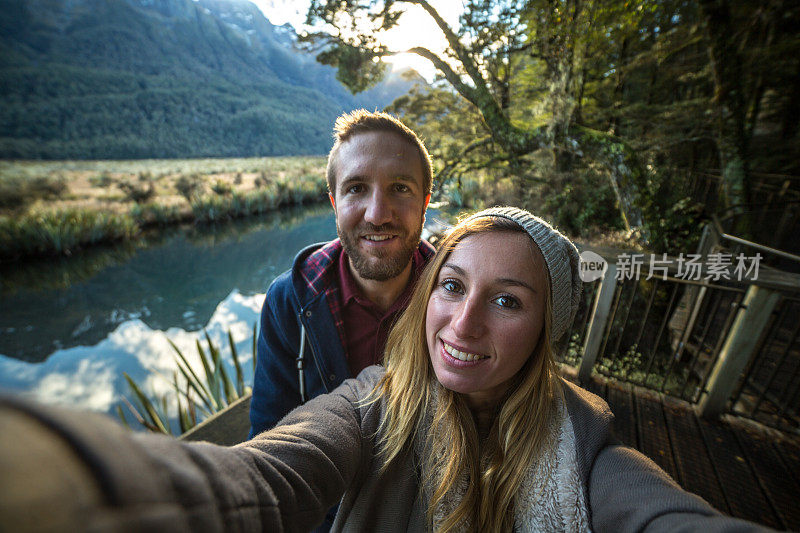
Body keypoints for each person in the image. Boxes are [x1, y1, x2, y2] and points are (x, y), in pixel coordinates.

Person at [0, 207, 772, 532]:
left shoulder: (587, 448)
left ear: (546, 330)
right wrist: (78, 485)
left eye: (507, 300)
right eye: (453, 285)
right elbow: (267, 476)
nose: (463, 323)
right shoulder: (371, 402)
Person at [248, 109, 434, 440]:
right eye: (357, 188)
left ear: (425, 203)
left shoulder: (456, 297)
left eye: (400, 188)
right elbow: (267, 437)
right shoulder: (289, 300)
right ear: (335, 203)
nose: (377, 215)